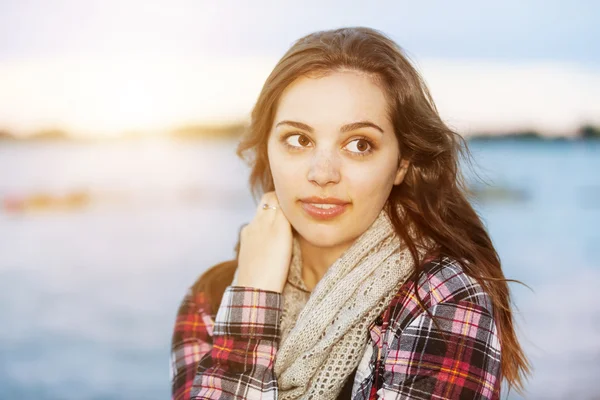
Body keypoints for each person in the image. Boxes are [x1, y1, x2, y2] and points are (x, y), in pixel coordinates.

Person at [170, 26, 531, 400]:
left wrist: (249, 311)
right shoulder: (211, 299)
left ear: (402, 163)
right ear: (268, 149)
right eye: (298, 140)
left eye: (359, 144)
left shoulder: (444, 298)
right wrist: (254, 296)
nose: (322, 173)